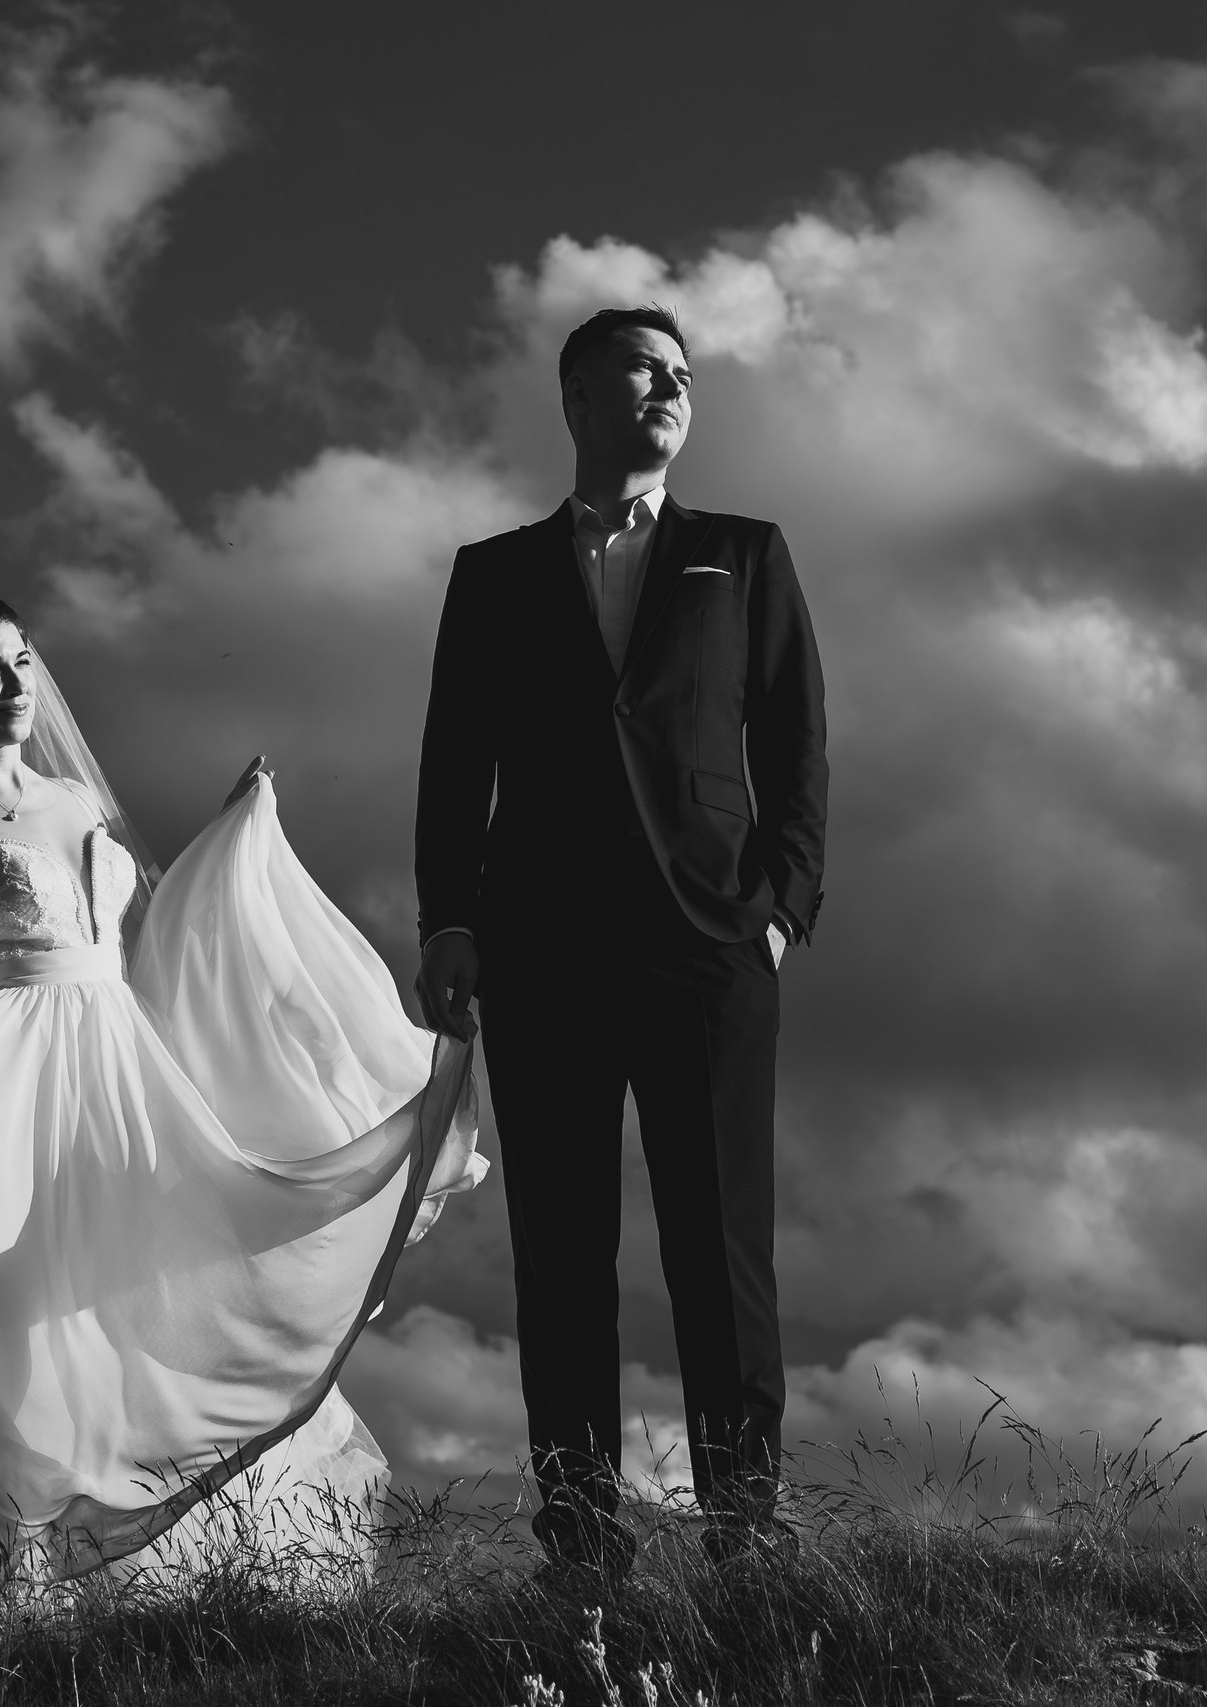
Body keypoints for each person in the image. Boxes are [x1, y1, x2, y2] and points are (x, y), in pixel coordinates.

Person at [0, 585, 484, 1579]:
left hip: (119, 1057)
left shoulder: (78, 803)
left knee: (156, 1273)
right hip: (28, 1074)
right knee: (43, 1305)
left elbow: (141, 931)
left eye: (22, 660)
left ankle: (198, 1551)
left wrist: (231, 838)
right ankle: (27, 1553)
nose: (16, 684)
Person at [413, 305, 828, 1572]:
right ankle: (582, 1540)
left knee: (720, 1248)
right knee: (562, 1252)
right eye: (643, 371)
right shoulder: (491, 572)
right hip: (541, 949)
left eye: (684, 378)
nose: (669, 389)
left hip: (709, 940)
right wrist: (451, 919)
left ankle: (744, 1532)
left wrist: (781, 910)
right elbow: (453, 764)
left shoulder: (743, 554)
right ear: (577, 399)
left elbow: (795, 742)